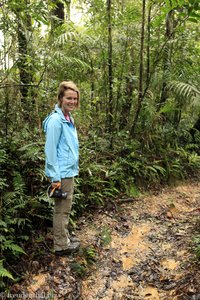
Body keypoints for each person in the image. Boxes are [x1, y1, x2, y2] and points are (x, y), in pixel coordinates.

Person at [43, 81, 80, 256]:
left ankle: (63, 237)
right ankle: (61, 246)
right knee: (61, 210)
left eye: (75, 98)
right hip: (61, 173)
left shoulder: (68, 118)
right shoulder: (55, 121)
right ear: (60, 98)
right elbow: (50, 152)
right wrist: (55, 178)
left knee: (65, 208)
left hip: (68, 170)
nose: (72, 101)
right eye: (69, 98)